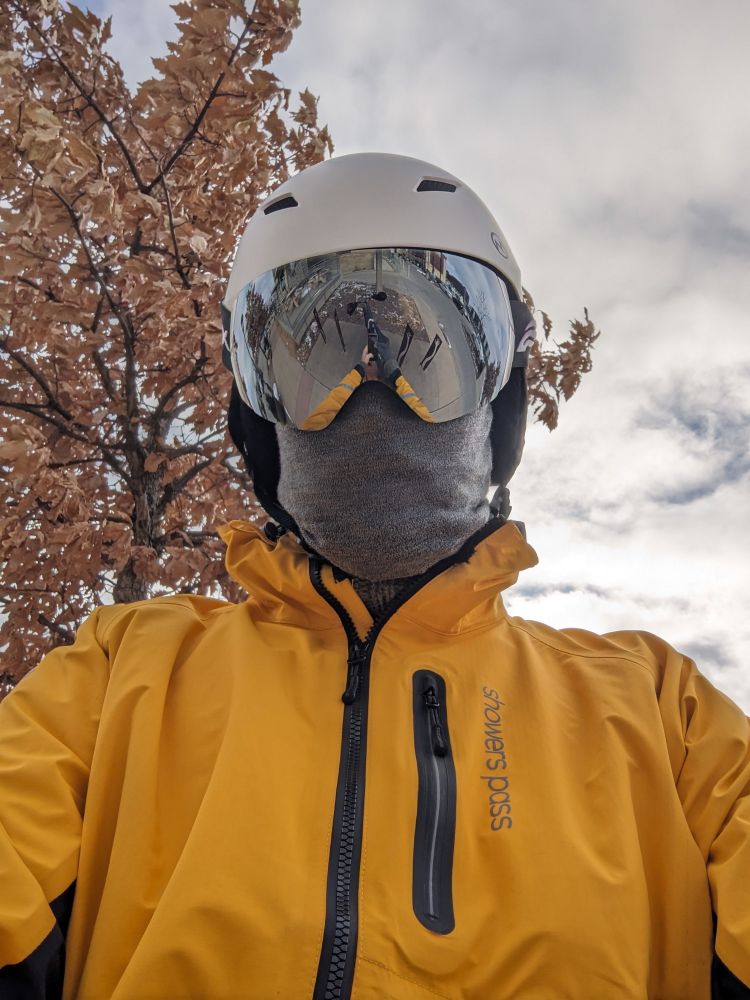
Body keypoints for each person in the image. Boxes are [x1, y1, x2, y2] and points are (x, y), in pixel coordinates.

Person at [0, 153, 747, 1000]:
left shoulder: (657, 715)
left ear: (498, 405)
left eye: (428, 356)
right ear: (258, 421)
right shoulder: (120, 681)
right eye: (313, 368)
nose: (371, 394)